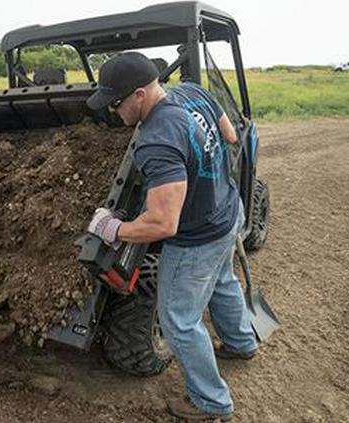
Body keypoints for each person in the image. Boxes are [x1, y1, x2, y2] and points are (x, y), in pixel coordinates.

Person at [86, 52, 257, 421]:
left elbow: (163, 224)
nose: (113, 112)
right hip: (228, 210)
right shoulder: (194, 92)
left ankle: (211, 402)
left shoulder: (156, 141)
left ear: (140, 95)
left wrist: (113, 228)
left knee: (178, 320)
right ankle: (241, 342)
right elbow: (229, 136)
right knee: (222, 280)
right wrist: (204, 177)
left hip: (198, 238)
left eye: (116, 104)